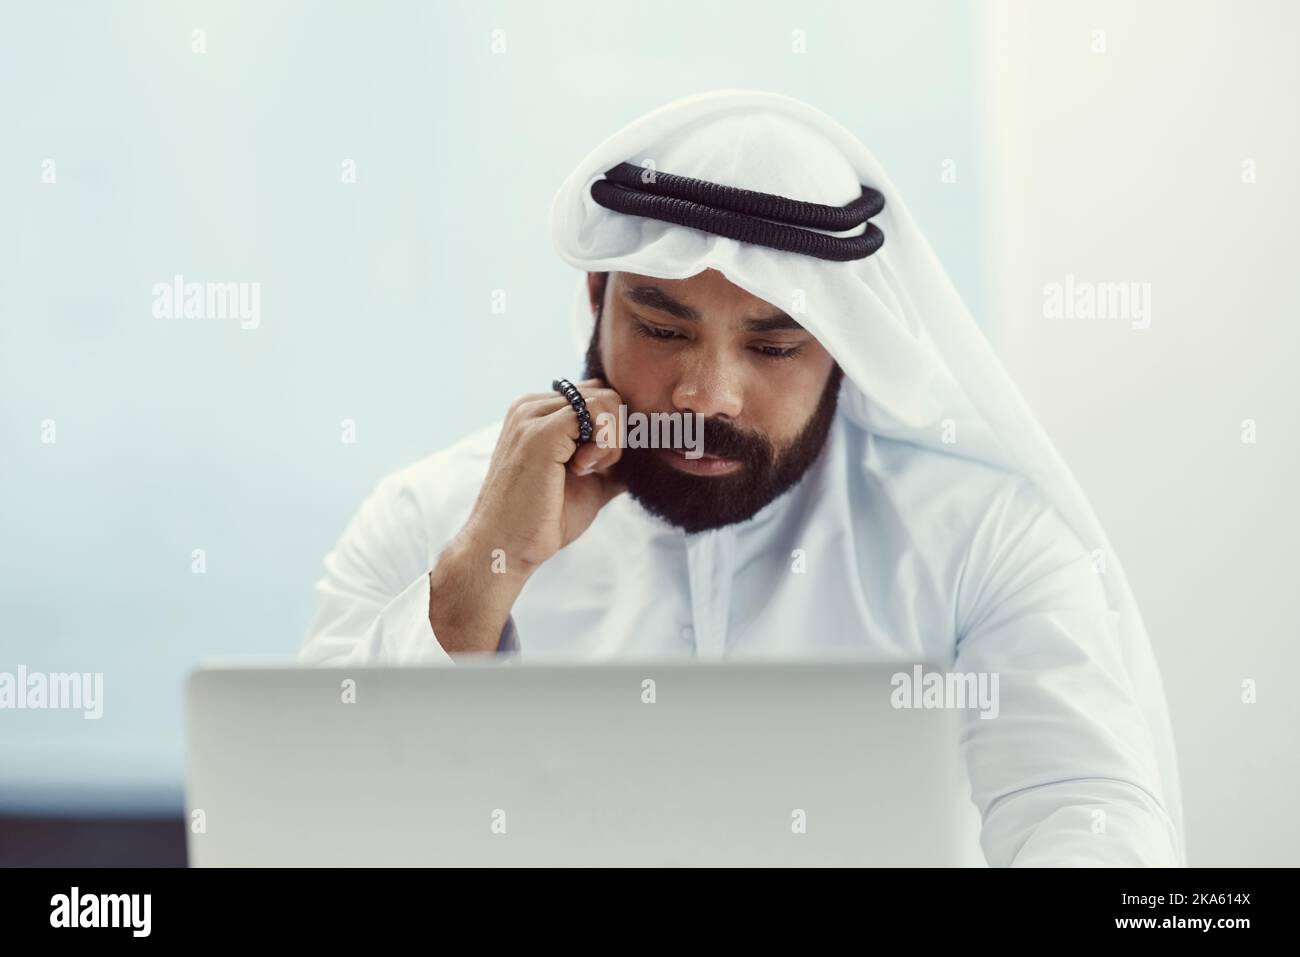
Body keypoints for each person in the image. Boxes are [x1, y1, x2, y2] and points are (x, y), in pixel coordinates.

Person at [301, 89, 1185, 866]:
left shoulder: (982, 536)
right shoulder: (432, 519)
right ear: (597, 301)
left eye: (771, 346)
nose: (708, 394)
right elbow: (311, 836)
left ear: (846, 347)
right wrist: (477, 581)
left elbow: (1085, 812)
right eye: (661, 329)